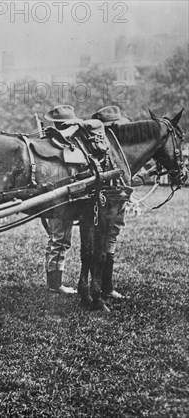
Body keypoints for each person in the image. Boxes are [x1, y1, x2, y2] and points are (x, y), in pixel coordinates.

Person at [90, 105, 133, 299]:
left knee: (111, 237)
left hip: (115, 199)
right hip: (105, 200)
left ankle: (106, 285)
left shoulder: (117, 149)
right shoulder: (101, 147)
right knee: (105, 238)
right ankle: (102, 285)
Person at [41, 105, 80, 294]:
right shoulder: (63, 145)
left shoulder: (50, 142)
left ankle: (54, 282)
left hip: (58, 198)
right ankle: (55, 284)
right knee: (60, 240)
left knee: (58, 239)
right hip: (61, 200)